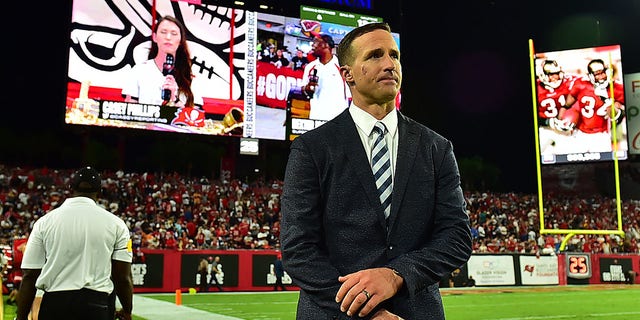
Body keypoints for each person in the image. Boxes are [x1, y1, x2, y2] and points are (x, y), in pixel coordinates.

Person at [280, 22, 472, 319]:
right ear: (347, 75)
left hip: (417, 311)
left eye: (394, 55)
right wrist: (366, 309)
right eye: (374, 56)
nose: (389, 64)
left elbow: (457, 237)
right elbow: (298, 249)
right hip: (334, 312)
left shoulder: (437, 147)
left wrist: (396, 275)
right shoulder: (312, 148)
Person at [15, 167, 133, 320]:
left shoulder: (44, 222)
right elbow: (122, 276)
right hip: (97, 306)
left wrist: (21, 317)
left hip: (55, 305)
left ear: (71, 188)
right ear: (99, 191)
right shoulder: (116, 224)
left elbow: (30, 275)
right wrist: (127, 309)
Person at [122, 15, 202, 108]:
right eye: (163, 32)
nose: (168, 37)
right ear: (154, 37)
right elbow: (129, 111)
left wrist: (175, 99)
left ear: (180, 40)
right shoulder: (139, 70)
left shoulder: (190, 76)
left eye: (174, 33)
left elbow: (195, 116)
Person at [564, 58, 626, 153]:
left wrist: (608, 102)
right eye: (597, 74)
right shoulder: (581, 84)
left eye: (603, 72)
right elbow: (569, 106)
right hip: (580, 132)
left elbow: (620, 116)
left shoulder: (617, 89)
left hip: (601, 134)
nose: (601, 76)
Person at [301, 33, 351, 121]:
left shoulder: (342, 66)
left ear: (326, 45)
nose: (312, 44)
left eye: (316, 42)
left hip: (338, 120)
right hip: (316, 118)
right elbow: (304, 91)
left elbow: (351, 94)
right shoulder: (310, 67)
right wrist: (307, 89)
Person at [535, 59, 577, 155]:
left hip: (565, 128)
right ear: (542, 75)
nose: (555, 78)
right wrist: (548, 122)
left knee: (569, 157)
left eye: (557, 74)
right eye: (551, 75)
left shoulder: (569, 83)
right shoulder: (535, 88)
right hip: (543, 128)